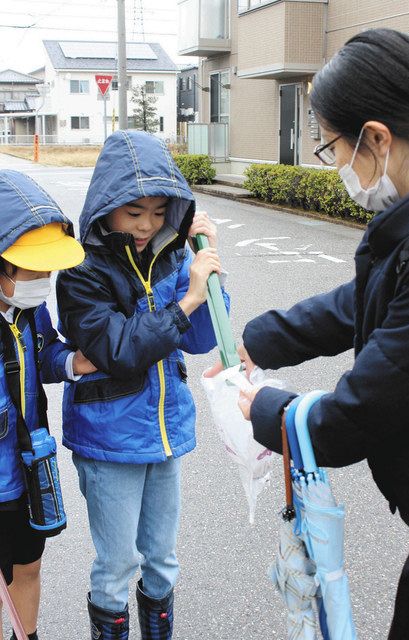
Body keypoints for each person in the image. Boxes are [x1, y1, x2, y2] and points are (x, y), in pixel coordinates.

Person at [236, 28, 409, 639]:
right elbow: (366, 301)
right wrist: (264, 337)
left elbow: (356, 415)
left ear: (377, 138)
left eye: (331, 147)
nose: (335, 169)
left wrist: (264, 408)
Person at [56, 130, 228, 640]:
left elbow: (199, 340)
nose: (147, 225)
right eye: (134, 213)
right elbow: (119, 350)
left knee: (163, 560)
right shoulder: (80, 270)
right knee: (116, 567)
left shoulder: (172, 256)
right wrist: (186, 301)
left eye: (158, 212)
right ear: (105, 207)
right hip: (109, 442)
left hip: (164, 434)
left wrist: (209, 266)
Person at [0, 169, 95, 640]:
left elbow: (46, 354)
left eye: (48, 269)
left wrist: (75, 362)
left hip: (28, 468)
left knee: (28, 566)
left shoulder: (30, 309)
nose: (44, 280)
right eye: (32, 269)